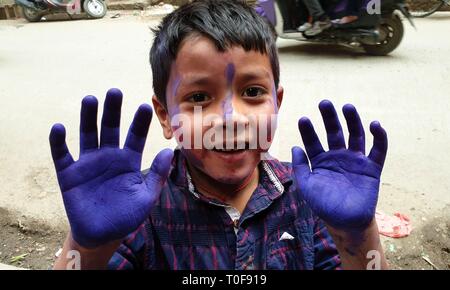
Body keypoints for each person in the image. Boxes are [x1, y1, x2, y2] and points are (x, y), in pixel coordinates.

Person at [52, 0, 388, 270]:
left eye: (253, 91)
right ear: (166, 116)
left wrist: (360, 238)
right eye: (199, 98)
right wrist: (85, 250)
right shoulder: (134, 211)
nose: (231, 119)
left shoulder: (312, 200)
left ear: (277, 102)